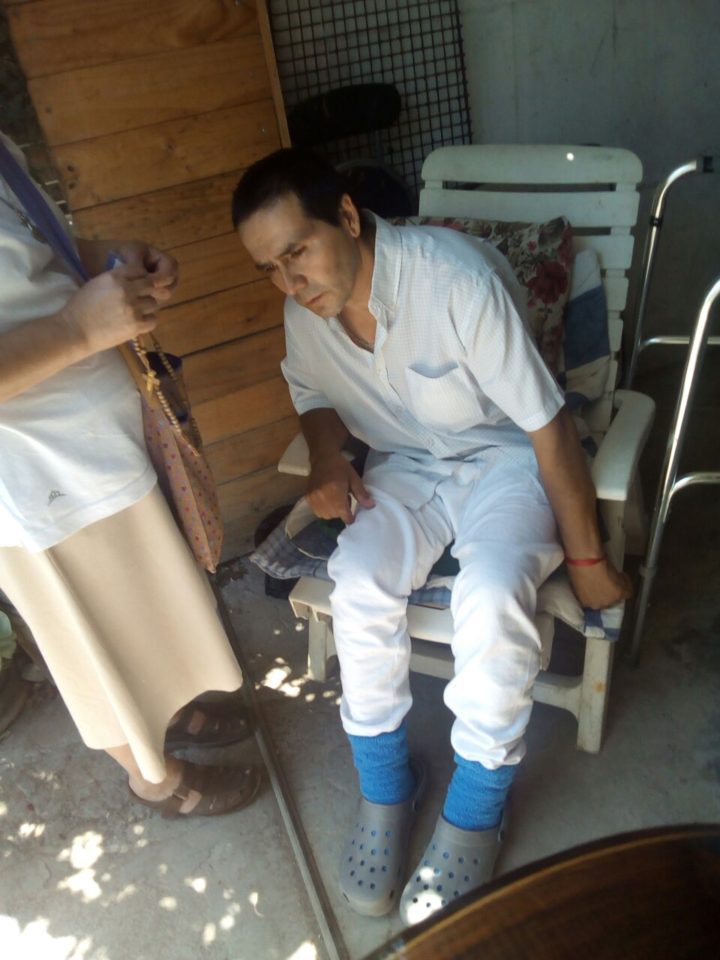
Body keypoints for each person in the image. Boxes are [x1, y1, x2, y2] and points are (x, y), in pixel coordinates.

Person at [232, 147, 632, 924]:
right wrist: (327, 457)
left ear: (348, 217)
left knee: (492, 595)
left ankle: (476, 810)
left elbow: (547, 425)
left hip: (507, 458)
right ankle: (388, 788)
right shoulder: (305, 314)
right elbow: (312, 395)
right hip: (406, 466)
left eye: (297, 252)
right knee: (358, 580)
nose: (290, 282)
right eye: (270, 269)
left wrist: (587, 559)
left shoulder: (455, 282)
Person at [0, 131, 261, 818]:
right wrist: (78, 330)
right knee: (96, 645)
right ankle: (157, 781)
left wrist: (112, 262)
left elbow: (28, 255)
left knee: (151, 612)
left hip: (98, 447)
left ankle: (171, 717)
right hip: (36, 483)